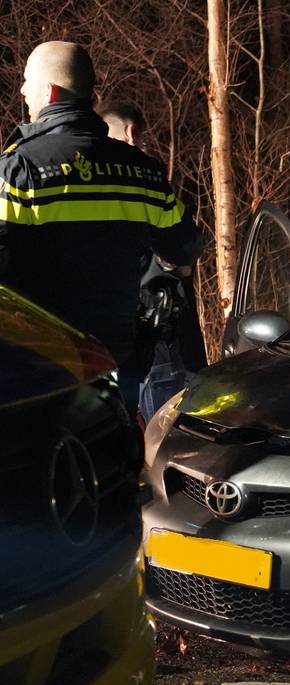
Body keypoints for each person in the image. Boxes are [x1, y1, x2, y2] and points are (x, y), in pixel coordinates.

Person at [0, 42, 199, 414]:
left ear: (50, 91)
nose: (22, 91)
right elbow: (185, 248)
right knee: (116, 453)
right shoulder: (143, 171)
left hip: (42, 369)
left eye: (27, 82)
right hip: (118, 362)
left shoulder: (18, 171)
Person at [97, 99, 208, 419]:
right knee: (174, 424)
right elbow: (185, 248)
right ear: (132, 132)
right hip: (160, 333)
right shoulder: (145, 174)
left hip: (108, 338)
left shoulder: (83, 176)